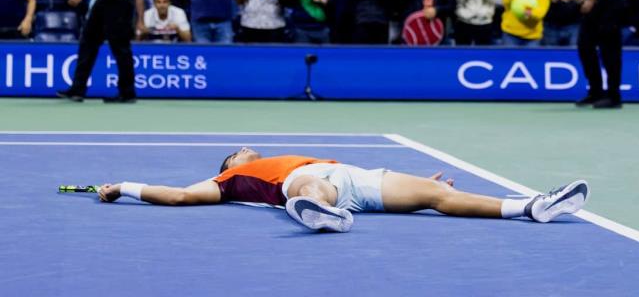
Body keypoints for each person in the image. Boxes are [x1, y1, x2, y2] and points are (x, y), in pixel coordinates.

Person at [96, 147, 591, 233]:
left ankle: (532, 206)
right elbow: (180, 196)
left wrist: (421, 182)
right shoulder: (229, 181)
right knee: (308, 186)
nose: (246, 148)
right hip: (308, 186)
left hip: (358, 178)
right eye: (237, 150)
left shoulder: (280, 156)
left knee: (437, 197)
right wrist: (126, 187)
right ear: (228, 167)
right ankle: (312, 210)